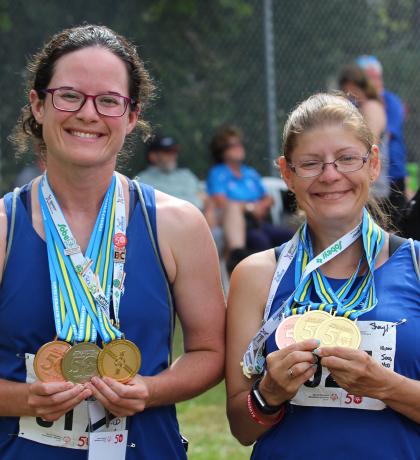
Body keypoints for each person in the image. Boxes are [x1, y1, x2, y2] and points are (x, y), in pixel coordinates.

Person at [0, 24, 225, 460]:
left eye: (108, 101)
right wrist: (24, 399)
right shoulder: (4, 227)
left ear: (132, 115)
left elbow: (210, 351)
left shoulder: (177, 224)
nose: (88, 114)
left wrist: (151, 389)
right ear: (38, 104)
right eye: (69, 95)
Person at [226, 93, 420, 459]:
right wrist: (268, 393)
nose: (331, 175)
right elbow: (241, 428)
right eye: (311, 163)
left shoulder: (417, 264)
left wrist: (384, 385)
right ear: (288, 174)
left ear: (373, 163)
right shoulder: (255, 276)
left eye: (347, 159)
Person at [207, 125, 292, 273]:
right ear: (221, 151)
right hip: (239, 225)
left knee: (290, 237)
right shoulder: (217, 173)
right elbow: (221, 202)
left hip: (259, 221)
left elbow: (268, 199)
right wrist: (250, 207)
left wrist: (258, 207)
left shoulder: (250, 173)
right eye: (232, 145)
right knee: (261, 242)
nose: (238, 147)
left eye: (239, 143)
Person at [357, 55, 408, 220]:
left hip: (393, 172)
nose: (375, 81)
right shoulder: (355, 103)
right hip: (369, 175)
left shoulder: (391, 101)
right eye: (369, 77)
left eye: (377, 77)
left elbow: (383, 132)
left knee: (396, 220)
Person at [339, 64, 390, 204]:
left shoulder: (372, 107)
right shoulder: (357, 108)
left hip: (374, 191)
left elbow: (371, 142)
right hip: (361, 186)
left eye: (353, 89)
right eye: (346, 90)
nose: (350, 94)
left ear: (362, 87)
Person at [135, 135, 206, 210]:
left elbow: (205, 197)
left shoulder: (186, 174)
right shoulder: (142, 180)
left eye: (174, 151)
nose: (172, 156)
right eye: (167, 152)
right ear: (153, 156)